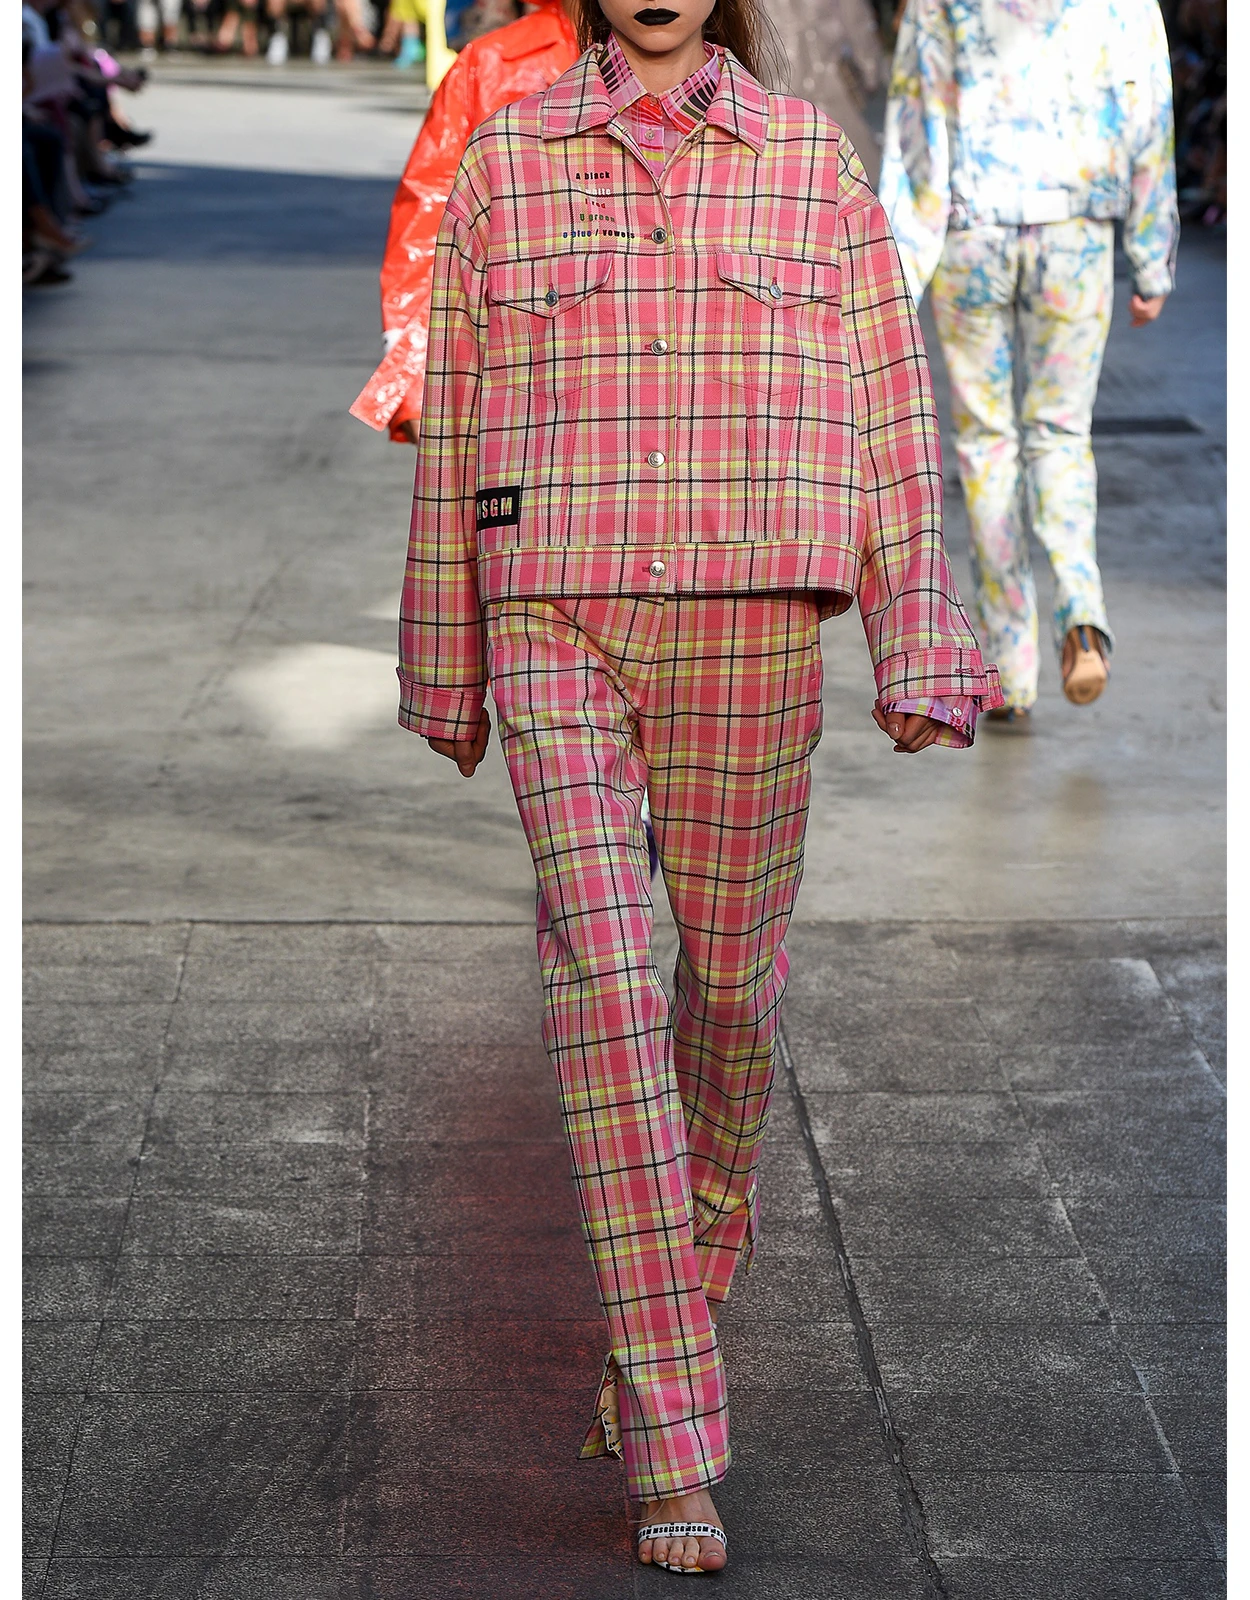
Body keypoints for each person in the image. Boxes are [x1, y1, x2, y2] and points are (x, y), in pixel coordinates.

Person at [396, 0, 1001, 1573]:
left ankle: (674, 1284)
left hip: (753, 615)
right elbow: (455, 417)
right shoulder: (512, 159)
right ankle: (673, 1434)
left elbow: (888, 409)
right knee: (605, 979)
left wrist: (917, 637)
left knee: (729, 997)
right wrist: (442, 656)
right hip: (557, 607)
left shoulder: (810, 163)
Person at [879, 0, 1179, 721]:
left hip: (973, 233)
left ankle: (1009, 666)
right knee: (1062, 433)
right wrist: (1151, 255)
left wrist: (899, 273)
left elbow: (919, 117)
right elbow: (1149, 114)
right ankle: (1083, 616)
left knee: (987, 445)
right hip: (1076, 233)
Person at [350, 0, 578, 443]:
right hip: (524, 374)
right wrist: (414, 372)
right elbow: (433, 213)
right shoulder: (493, 63)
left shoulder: (706, 62)